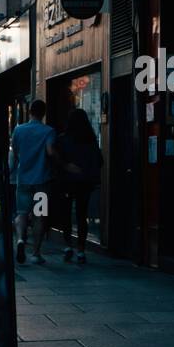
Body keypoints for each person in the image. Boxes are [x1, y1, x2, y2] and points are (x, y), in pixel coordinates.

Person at [10, 99, 58, 265]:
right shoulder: (49, 131)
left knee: (21, 213)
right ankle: (36, 254)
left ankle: (20, 241)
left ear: (29, 112)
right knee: (39, 217)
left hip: (22, 180)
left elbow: (15, 153)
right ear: (43, 113)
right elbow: (51, 152)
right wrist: (62, 163)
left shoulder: (18, 130)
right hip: (42, 182)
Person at [56, 108, 103, 264]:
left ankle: (68, 246)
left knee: (66, 214)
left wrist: (67, 167)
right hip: (85, 182)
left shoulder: (62, 139)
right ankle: (81, 250)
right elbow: (99, 161)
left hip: (67, 182)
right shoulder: (90, 140)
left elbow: (56, 161)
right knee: (82, 216)